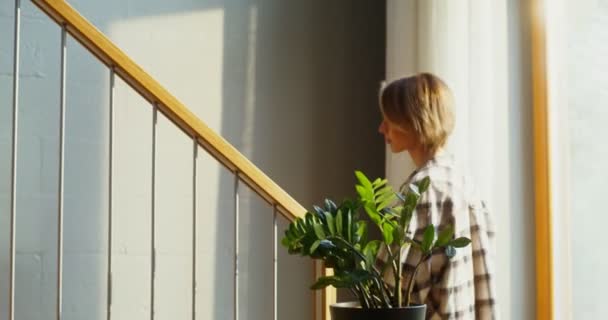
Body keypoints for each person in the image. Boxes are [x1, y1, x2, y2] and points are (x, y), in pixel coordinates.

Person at [378, 73, 498, 319]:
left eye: (388, 119)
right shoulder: (464, 181)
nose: (381, 128)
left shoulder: (422, 190)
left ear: (412, 121)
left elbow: (390, 287)